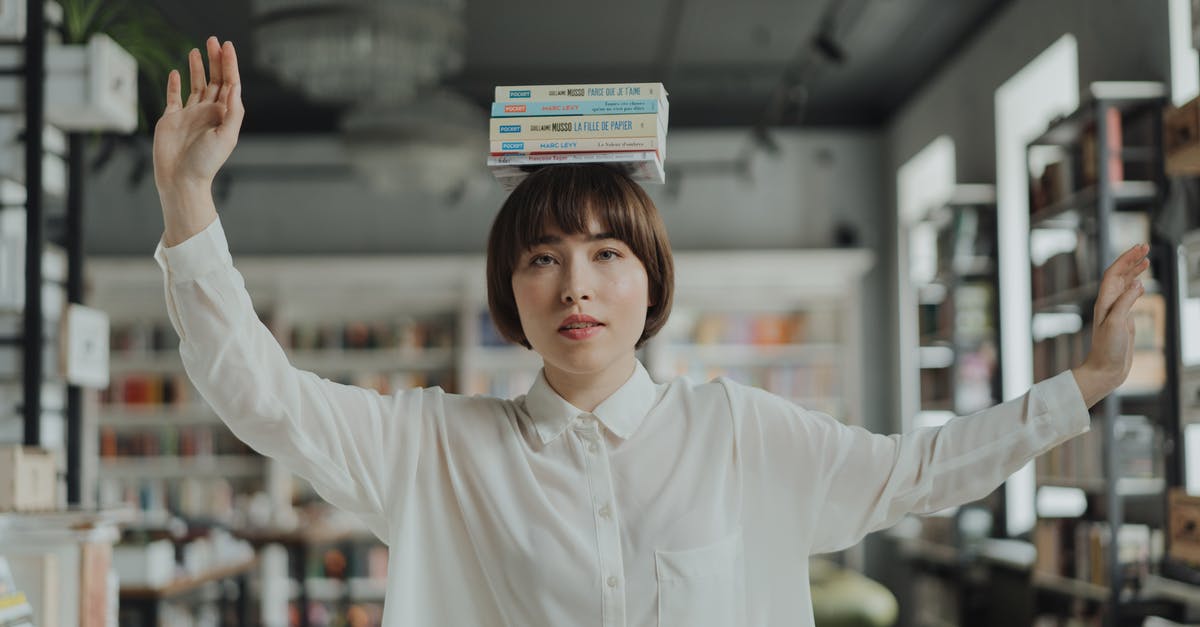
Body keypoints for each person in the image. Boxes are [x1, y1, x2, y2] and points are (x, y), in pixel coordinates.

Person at [151, 37, 1151, 627]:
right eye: (542, 259)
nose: (574, 286)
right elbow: (259, 394)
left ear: (651, 281)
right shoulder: (434, 447)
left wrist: (1090, 384)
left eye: (606, 255)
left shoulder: (740, 433)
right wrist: (188, 195)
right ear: (510, 291)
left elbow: (919, 470)